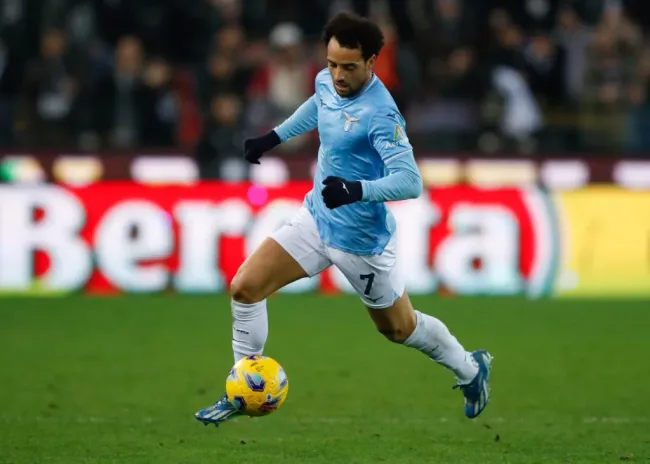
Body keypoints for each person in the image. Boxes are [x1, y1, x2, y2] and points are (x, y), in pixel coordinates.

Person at [195, 12, 492, 427]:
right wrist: (272, 138)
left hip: (361, 241)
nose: (337, 74)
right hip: (317, 219)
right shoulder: (327, 81)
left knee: (398, 328)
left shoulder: (381, 114)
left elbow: (410, 181)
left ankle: (470, 368)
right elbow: (319, 105)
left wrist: (356, 190)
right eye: (332, 63)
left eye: (349, 67)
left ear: (371, 62)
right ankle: (243, 386)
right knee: (245, 287)